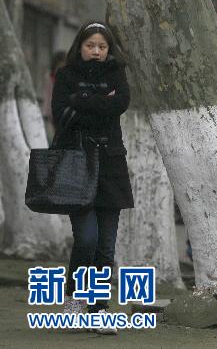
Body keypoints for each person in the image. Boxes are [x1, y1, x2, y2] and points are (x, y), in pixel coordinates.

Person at [51, 21, 134, 335]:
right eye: (91, 46)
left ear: (108, 49)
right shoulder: (66, 75)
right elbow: (61, 114)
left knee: (106, 247)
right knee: (86, 240)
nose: (96, 51)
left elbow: (120, 104)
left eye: (102, 46)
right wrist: (100, 102)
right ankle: (74, 300)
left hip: (111, 165)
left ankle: (99, 310)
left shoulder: (117, 73)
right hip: (77, 164)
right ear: (80, 47)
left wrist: (81, 100)